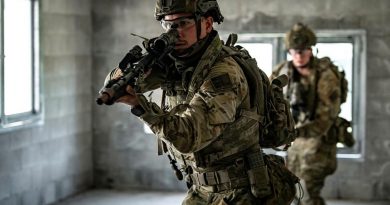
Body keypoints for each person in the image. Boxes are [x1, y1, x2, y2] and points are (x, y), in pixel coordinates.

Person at [102, 0, 296, 204]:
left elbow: (189, 136)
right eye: (168, 25)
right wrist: (142, 63)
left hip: (241, 192)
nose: (175, 32)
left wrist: (141, 108)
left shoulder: (223, 73)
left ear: (207, 24)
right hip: (201, 189)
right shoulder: (178, 63)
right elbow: (112, 87)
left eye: (183, 23)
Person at [271, 22, 354, 205]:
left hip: (318, 141)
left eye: (303, 50)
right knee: (293, 191)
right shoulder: (282, 71)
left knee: (309, 193)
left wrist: (296, 132)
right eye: (294, 51)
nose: (299, 56)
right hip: (292, 143)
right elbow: (269, 102)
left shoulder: (325, 75)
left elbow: (327, 116)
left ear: (311, 50)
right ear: (289, 52)